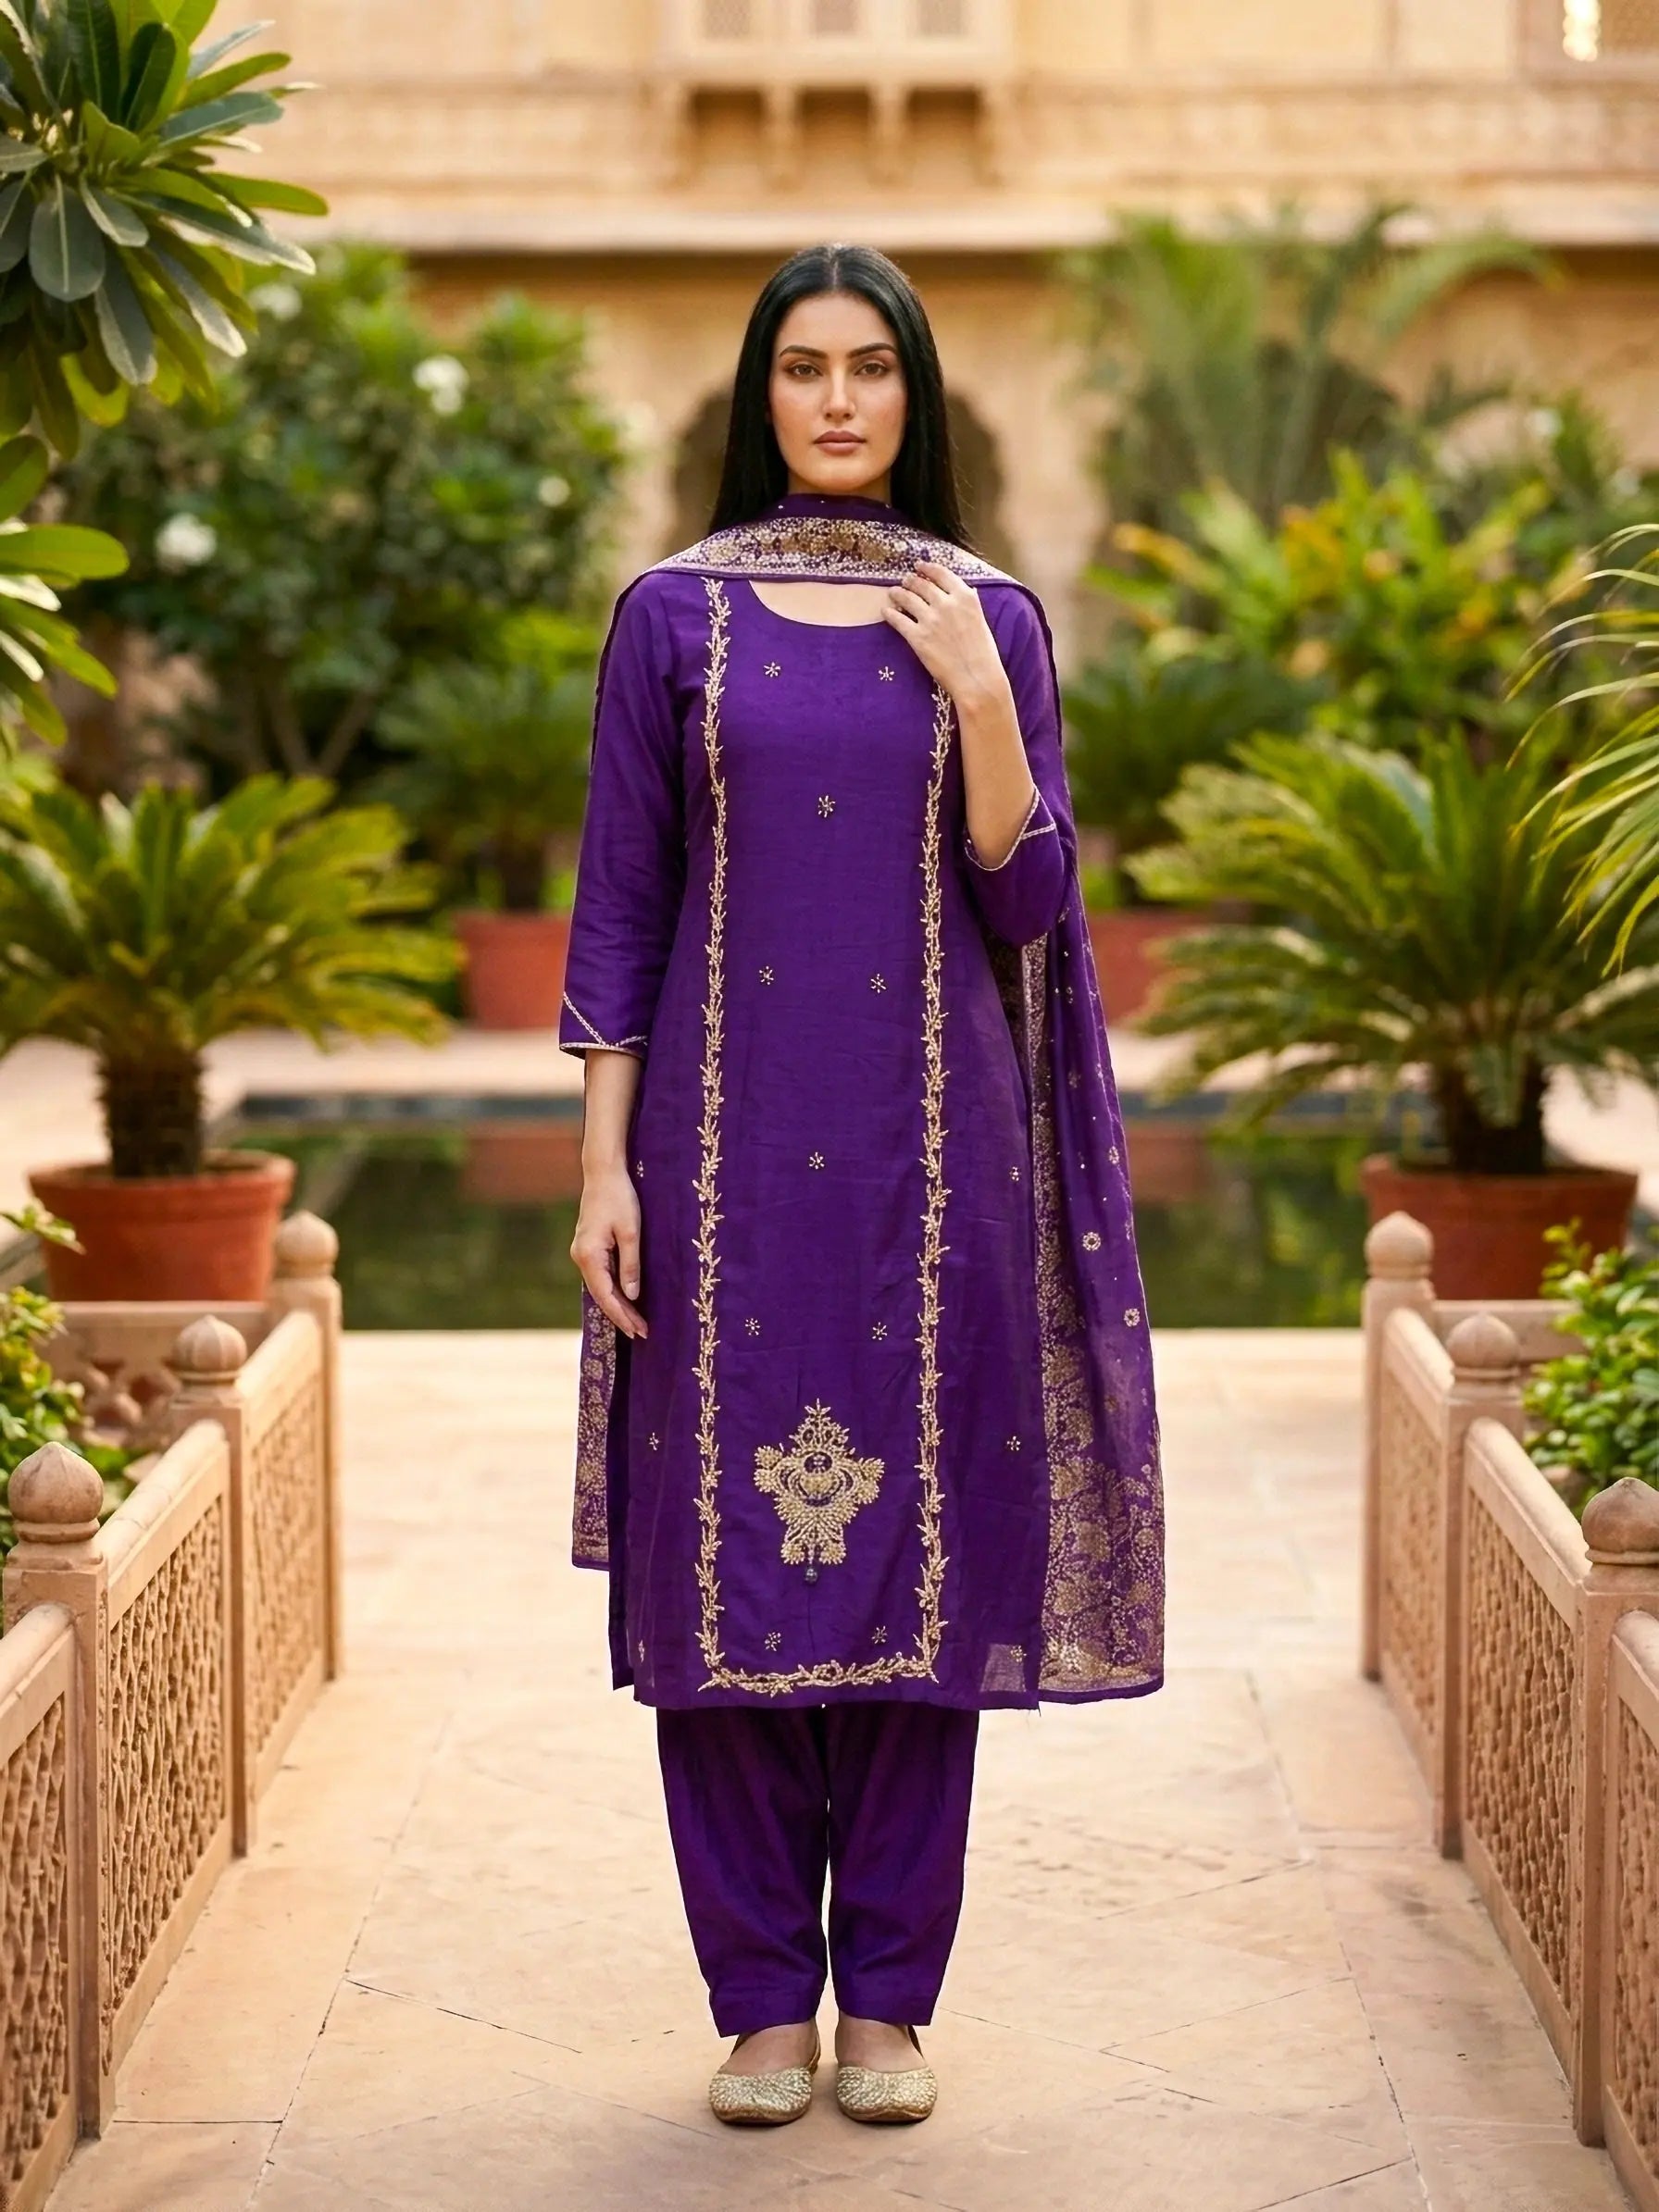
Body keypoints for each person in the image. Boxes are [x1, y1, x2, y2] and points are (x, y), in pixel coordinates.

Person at [561, 242, 1164, 2129]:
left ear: (913, 394)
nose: (836, 400)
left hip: (942, 1166)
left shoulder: (986, 611)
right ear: (762, 395)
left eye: (870, 369)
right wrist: (600, 1171)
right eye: (804, 369)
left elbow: (1029, 902)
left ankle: (887, 1997)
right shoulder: (669, 615)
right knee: (720, 1559)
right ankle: (756, 2002)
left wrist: (983, 695)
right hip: (719, 1174)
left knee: (925, 1549)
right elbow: (620, 905)